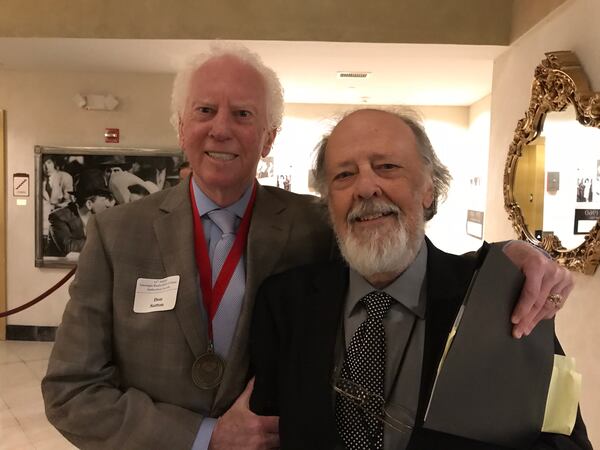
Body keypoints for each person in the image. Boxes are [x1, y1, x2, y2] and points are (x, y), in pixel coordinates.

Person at [42, 42, 574, 450]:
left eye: (243, 114)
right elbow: (70, 391)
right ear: (181, 127)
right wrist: (205, 436)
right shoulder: (117, 235)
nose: (365, 187)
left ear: (269, 135)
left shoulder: (313, 227)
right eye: (204, 111)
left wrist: (522, 256)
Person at [250, 108, 591, 449]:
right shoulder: (285, 304)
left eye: (387, 167)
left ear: (428, 187)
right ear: (328, 202)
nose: (366, 187)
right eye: (344, 175)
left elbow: (564, 441)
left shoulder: (499, 296)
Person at [46, 169, 115, 256]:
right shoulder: (59, 218)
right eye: (104, 199)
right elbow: (69, 247)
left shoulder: (101, 217)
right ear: (89, 204)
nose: (108, 204)